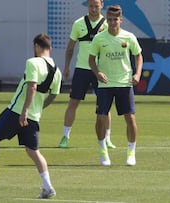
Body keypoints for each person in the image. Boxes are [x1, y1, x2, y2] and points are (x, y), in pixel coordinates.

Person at [0, 33, 62, 199]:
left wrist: (24, 110)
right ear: (49, 47)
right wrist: (39, 108)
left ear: (36, 46)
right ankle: (48, 186)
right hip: (34, 116)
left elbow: (32, 87)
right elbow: (54, 94)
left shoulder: (32, 62)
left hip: (17, 111)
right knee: (33, 151)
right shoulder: (56, 71)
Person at [89, 4, 143, 166]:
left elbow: (138, 56)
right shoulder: (99, 38)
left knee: (130, 118)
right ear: (107, 19)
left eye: (115, 20)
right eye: (110, 19)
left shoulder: (129, 37)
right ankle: (102, 150)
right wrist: (97, 72)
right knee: (101, 117)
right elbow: (91, 59)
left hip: (124, 83)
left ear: (121, 20)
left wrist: (137, 74)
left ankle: (131, 152)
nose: (112, 22)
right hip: (105, 85)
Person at [58, 0, 116, 149]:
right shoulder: (78, 24)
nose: (93, 9)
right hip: (82, 69)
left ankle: (107, 138)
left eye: (96, 6)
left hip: (101, 71)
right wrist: (66, 67)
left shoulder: (107, 24)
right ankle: (65, 137)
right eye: (91, 6)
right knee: (73, 102)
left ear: (102, 5)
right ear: (87, 6)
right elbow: (70, 48)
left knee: (105, 106)